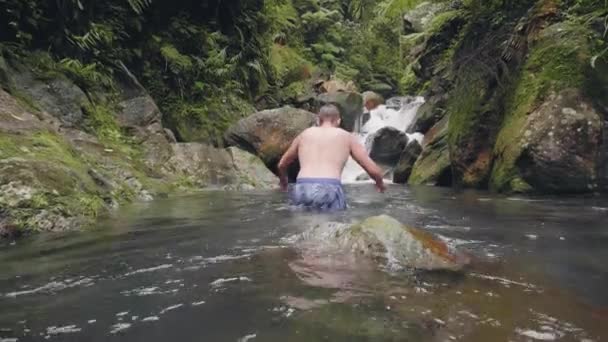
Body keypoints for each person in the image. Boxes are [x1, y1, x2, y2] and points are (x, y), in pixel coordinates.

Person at [277, 104, 386, 211]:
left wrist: (283, 181)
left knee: (302, 225)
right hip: (329, 187)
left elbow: (282, 164)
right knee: (331, 225)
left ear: (318, 120)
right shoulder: (347, 137)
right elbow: (371, 169)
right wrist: (379, 183)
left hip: (302, 187)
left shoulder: (304, 135)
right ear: (338, 121)